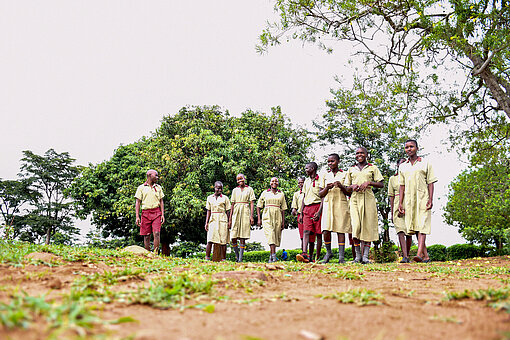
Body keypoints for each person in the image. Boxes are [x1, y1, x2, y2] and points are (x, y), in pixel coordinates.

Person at [398, 139, 437, 263]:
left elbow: (430, 182)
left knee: (423, 224)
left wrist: (430, 199)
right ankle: (426, 257)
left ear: (417, 148)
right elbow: (401, 185)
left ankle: (419, 254)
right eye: (407, 147)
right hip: (409, 200)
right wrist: (400, 202)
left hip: (423, 198)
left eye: (411, 147)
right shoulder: (403, 166)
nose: (409, 149)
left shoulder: (425, 163)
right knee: (415, 226)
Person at [344, 147, 384, 264]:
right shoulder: (351, 169)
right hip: (355, 198)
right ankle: (357, 257)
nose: (359, 155)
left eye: (362, 153)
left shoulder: (373, 168)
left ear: (366, 154)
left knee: (367, 226)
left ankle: (365, 257)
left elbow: (381, 184)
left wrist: (369, 182)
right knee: (355, 226)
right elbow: (346, 187)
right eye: (357, 153)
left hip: (368, 198)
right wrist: (352, 186)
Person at [319, 153, 352, 263]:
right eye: (328, 162)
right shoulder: (325, 175)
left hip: (340, 204)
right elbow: (320, 194)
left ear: (338, 161)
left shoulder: (345, 174)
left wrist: (341, 185)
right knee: (326, 230)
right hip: (328, 204)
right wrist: (327, 188)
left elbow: (348, 191)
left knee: (340, 229)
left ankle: (341, 257)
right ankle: (328, 252)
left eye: (332, 161)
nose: (330, 163)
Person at [257, 177, 287, 263]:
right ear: (270, 183)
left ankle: (271, 256)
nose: (274, 182)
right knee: (270, 235)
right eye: (272, 181)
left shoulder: (281, 194)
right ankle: (274, 257)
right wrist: (259, 219)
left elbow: (283, 209)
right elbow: (259, 206)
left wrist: (283, 222)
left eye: (276, 181)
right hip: (267, 216)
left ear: (278, 183)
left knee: (276, 236)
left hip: (277, 216)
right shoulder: (265, 193)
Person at [297, 162, 323, 263]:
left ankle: (317, 256)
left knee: (318, 233)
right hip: (307, 208)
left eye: (307, 168)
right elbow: (304, 197)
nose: (306, 170)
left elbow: (323, 197)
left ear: (313, 168)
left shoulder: (320, 179)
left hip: (317, 207)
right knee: (306, 231)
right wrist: (302, 212)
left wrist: (319, 211)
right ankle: (304, 254)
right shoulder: (306, 181)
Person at [388, 158, 412, 263]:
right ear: (397, 165)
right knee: (400, 231)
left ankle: (409, 253)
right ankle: (405, 256)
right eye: (400, 163)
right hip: (398, 203)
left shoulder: (411, 176)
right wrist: (393, 210)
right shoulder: (392, 179)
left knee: (410, 231)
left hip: (410, 203)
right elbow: (391, 196)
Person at [135, 169, 165, 253]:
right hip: (145, 213)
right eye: (155, 175)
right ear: (149, 176)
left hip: (156, 212)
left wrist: (162, 214)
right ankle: (147, 253)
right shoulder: (141, 188)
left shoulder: (158, 187)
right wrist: (137, 216)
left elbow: (161, 201)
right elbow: (138, 202)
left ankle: (155, 253)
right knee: (146, 235)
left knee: (156, 233)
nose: (157, 177)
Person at [229, 174, 256, 262]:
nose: (240, 180)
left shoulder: (249, 189)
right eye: (238, 179)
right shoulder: (235, 190)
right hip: (236, 212)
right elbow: (232, 205)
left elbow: (252, 203)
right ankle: (237, 256)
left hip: (245, 211)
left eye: (241, 178)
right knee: (233, 236)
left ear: (245, 179)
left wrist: (251, 216)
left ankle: (240, 259)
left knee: (242, 236)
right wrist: (230, 219)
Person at [204, 181, 231, 261]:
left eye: (221, 189)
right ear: (214, 188)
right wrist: (206, 222)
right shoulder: (209, 198)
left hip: (222, 219)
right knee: (210, 239)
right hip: (213, 219)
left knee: (223, 240)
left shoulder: (225, 198)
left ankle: (223, 259)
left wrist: (229, 222)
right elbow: (208, 211)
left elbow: (228, 211)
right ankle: (207, 257)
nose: (219, 190)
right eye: (218, 188)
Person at [291, 176, 316, 260]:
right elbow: (294, 206)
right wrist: (294, 210)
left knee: (312, 238)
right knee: (303, 236)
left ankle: (311, 256)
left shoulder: (309, 192)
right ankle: (304, 254)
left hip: (310, 213)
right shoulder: (296, 194)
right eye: (299, 183)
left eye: (302, 182)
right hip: (301, 216)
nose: (300, 184)